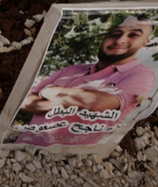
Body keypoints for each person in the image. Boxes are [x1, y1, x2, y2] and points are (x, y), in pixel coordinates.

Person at [15, 16, 157, 147]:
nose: (120, 40)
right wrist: (67, 104)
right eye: (115, 34)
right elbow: (24, 100)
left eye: (134, 35)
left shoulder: (142, 74)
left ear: (144, 43)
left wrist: (49, 91)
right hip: (22, 146)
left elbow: (97, 102)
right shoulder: (72, 70)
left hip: (64, 158)